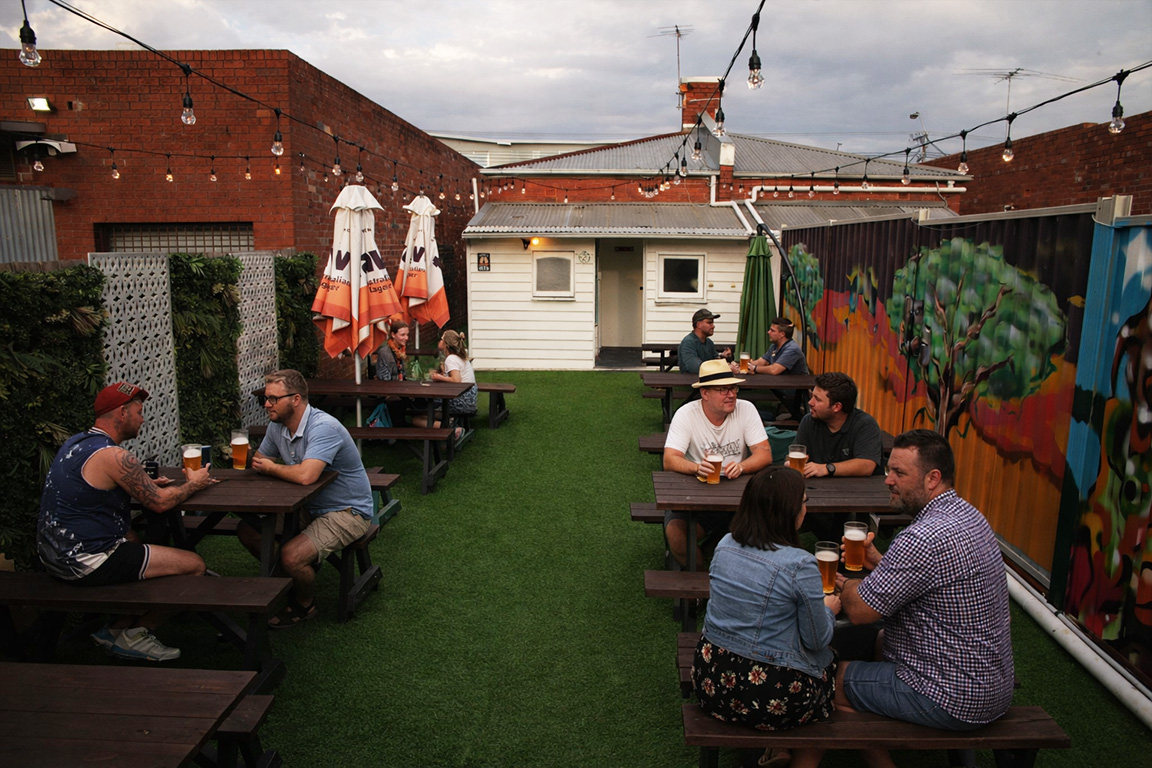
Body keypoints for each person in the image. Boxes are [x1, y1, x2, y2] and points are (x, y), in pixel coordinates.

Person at [828, 430, 1014, 766]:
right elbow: (929, 580)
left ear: (933, 478)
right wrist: (881, 564)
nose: (888, 480)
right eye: (889, 470)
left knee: (829, 680)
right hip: (992, 686)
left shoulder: (920, 538)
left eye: (899, 473)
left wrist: (847, 585)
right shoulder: (971, 516)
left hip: (952, 697)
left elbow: (859, 612)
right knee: (882, 640)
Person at [37, 382, 215, 661]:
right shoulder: (115, 456)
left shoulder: (77, 442)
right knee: (195, 566)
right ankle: (132, 633)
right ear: (122, 413)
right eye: (139, 412)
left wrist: (141, 482)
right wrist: (195, 484)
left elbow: (93, 483)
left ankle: (120, 623)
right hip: (84, 563)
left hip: (53, 555)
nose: (142, 419)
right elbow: (160, 503)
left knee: (133, 539)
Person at [692, 467, 839, 768]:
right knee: (838, 667)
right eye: (804, 501)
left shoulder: (724, 545)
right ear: (789, 511)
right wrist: (830, 609)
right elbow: (816, 639)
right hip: (771, 698)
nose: (805, 509)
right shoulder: (800, 564)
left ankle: (776, 749)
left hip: (711, 682)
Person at [238, 370, 374, 628]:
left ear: (296, 399)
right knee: (248, 530)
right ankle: (289, 578)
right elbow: (261, 460)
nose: (266, 405)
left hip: (347, 511)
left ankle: (304, 601)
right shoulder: (277, 426)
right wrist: (248, 458)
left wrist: (268, 468)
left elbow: (305, 476)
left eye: (273, 399)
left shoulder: (324, 427)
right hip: (307, 505)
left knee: (291, 555)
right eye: (265, 399)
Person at [663, 359, 773, 567]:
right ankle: (703, 583)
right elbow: (670, 459)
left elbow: (764, 453)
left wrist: (742, 466)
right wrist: (696, 467)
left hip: (740, 498)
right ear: (705, 393)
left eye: (733, 388)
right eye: (722, 390)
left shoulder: (746, 409)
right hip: (696, 496)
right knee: (677, 536)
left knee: (765, 532)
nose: (731, 395)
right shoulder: (686, 414)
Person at [795, 372, 882, 479]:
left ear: (837, 407)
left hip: (861, 493)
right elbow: (797, 453)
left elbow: (867, 465)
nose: (810, 402)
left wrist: (827, 468)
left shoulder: (865, 425)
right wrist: (791, 465)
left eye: (817, 399)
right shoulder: (809, 421)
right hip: (818, 491)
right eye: (812, 396)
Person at [740, 316, 810, 420]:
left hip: (793, 392)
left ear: (782, 334)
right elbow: (760, 362)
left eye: (772, 330)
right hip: (778, 388)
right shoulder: (774, 346)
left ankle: (760, 419)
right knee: (743, 392)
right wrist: (742, 366)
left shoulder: (792, 349)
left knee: (747, 395)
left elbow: (775, 370)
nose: (768, 332)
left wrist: (754, 368)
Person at [412, 329, 477, 440]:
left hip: (461, 402)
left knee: (419, 411)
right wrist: (443, 376)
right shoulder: (460, 356)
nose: (439, 341)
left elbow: (456, 380)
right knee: (428, 407)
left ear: (446, 344)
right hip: (470, 400)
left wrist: (439, 377)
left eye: (441, 339)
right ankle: (448, 422)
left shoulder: (451, 359)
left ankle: (451, 429)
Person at [375, 319, 411, 425]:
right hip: (386, 390)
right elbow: (385, 379)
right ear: (393, 335)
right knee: (401, 402)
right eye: (403, 335)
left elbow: (403, 373)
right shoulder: (385, 353)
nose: (406, 338)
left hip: (399, 387)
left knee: (419, 399)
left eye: (407, 334)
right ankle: (398, 430)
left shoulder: (400, 350)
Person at [678, 308, 732, 374]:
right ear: (698, 325)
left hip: (708, 380)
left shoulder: (709, 342)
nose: (713, 326)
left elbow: (714, 360)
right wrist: (725, 367)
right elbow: (696, 368)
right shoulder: (688, 342)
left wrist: (723, 357)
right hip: (692, 382)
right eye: (709, 323)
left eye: (713, 323)